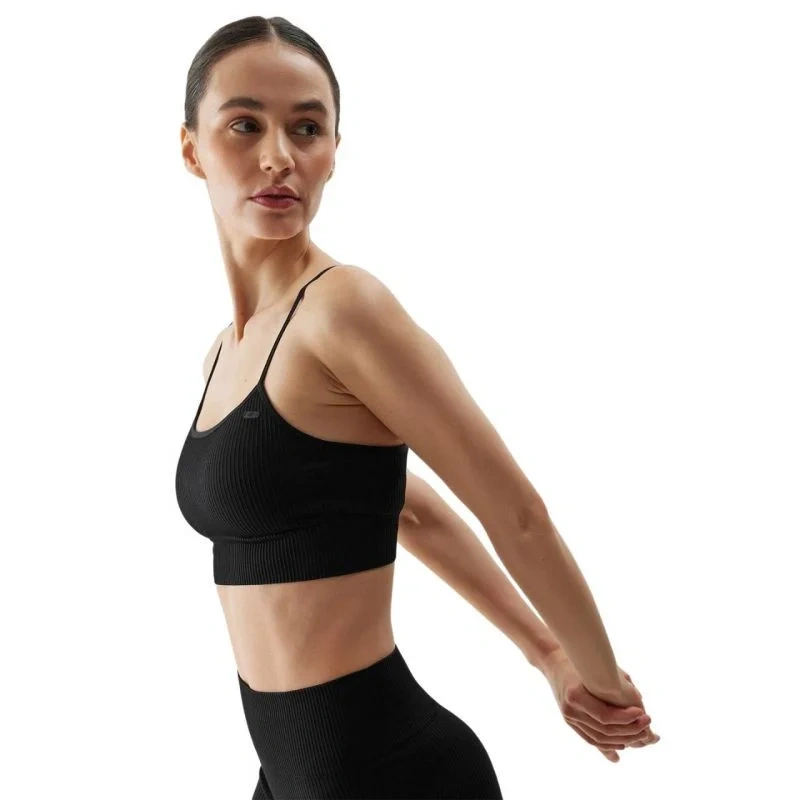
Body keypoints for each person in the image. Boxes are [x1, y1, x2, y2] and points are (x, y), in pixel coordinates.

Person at [174, 15, 658, 799]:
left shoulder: (343, 309)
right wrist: (543, 649)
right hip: (288, 774)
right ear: (192, 148)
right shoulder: (223, 355)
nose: (278, 156)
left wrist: (588, 675)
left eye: (307, 127)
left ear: (334, 149)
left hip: (391, 773)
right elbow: (403, 505)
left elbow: (517, 513)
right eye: (245, 124)